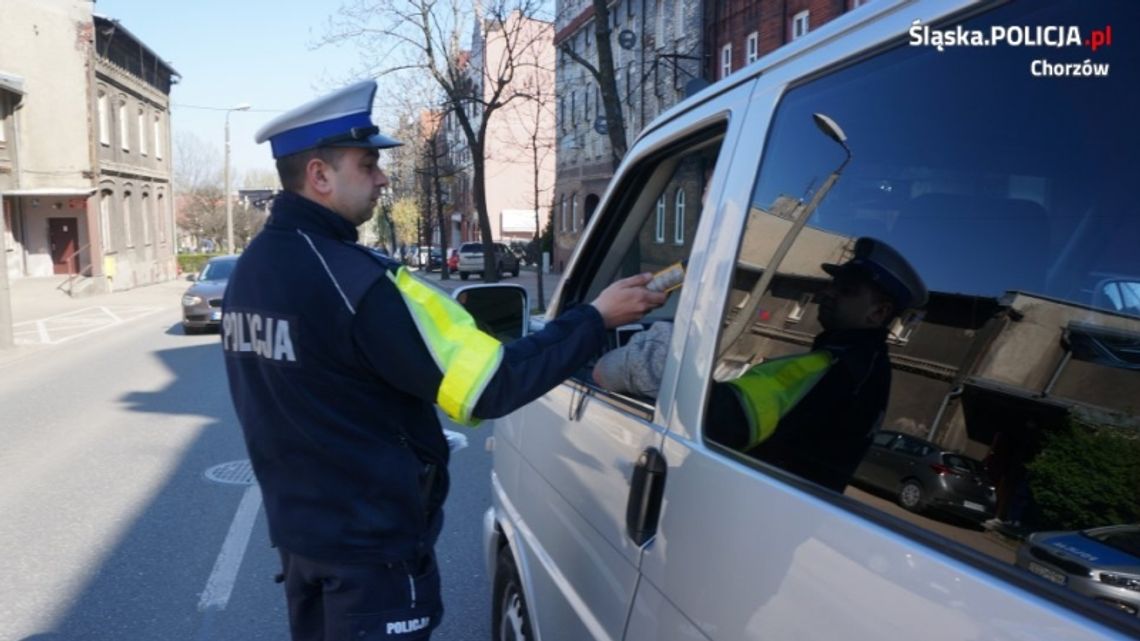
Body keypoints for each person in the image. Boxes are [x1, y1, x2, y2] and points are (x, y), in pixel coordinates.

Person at [221, 80, 665, 641]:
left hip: (305, 542)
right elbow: (491, 386)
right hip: (372, 555)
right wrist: (596, 318)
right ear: (319, 176)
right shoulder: (357, 283)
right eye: (368, 163)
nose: (383, 178)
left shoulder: (252, 270)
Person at [593, 237, 927, 492]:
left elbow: (716, 416)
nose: (827, 293)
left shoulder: (824, 371)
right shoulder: (872, 371)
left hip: (740, 522)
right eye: (832, 285)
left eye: (846, 290)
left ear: (879, 312)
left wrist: (640, 351)